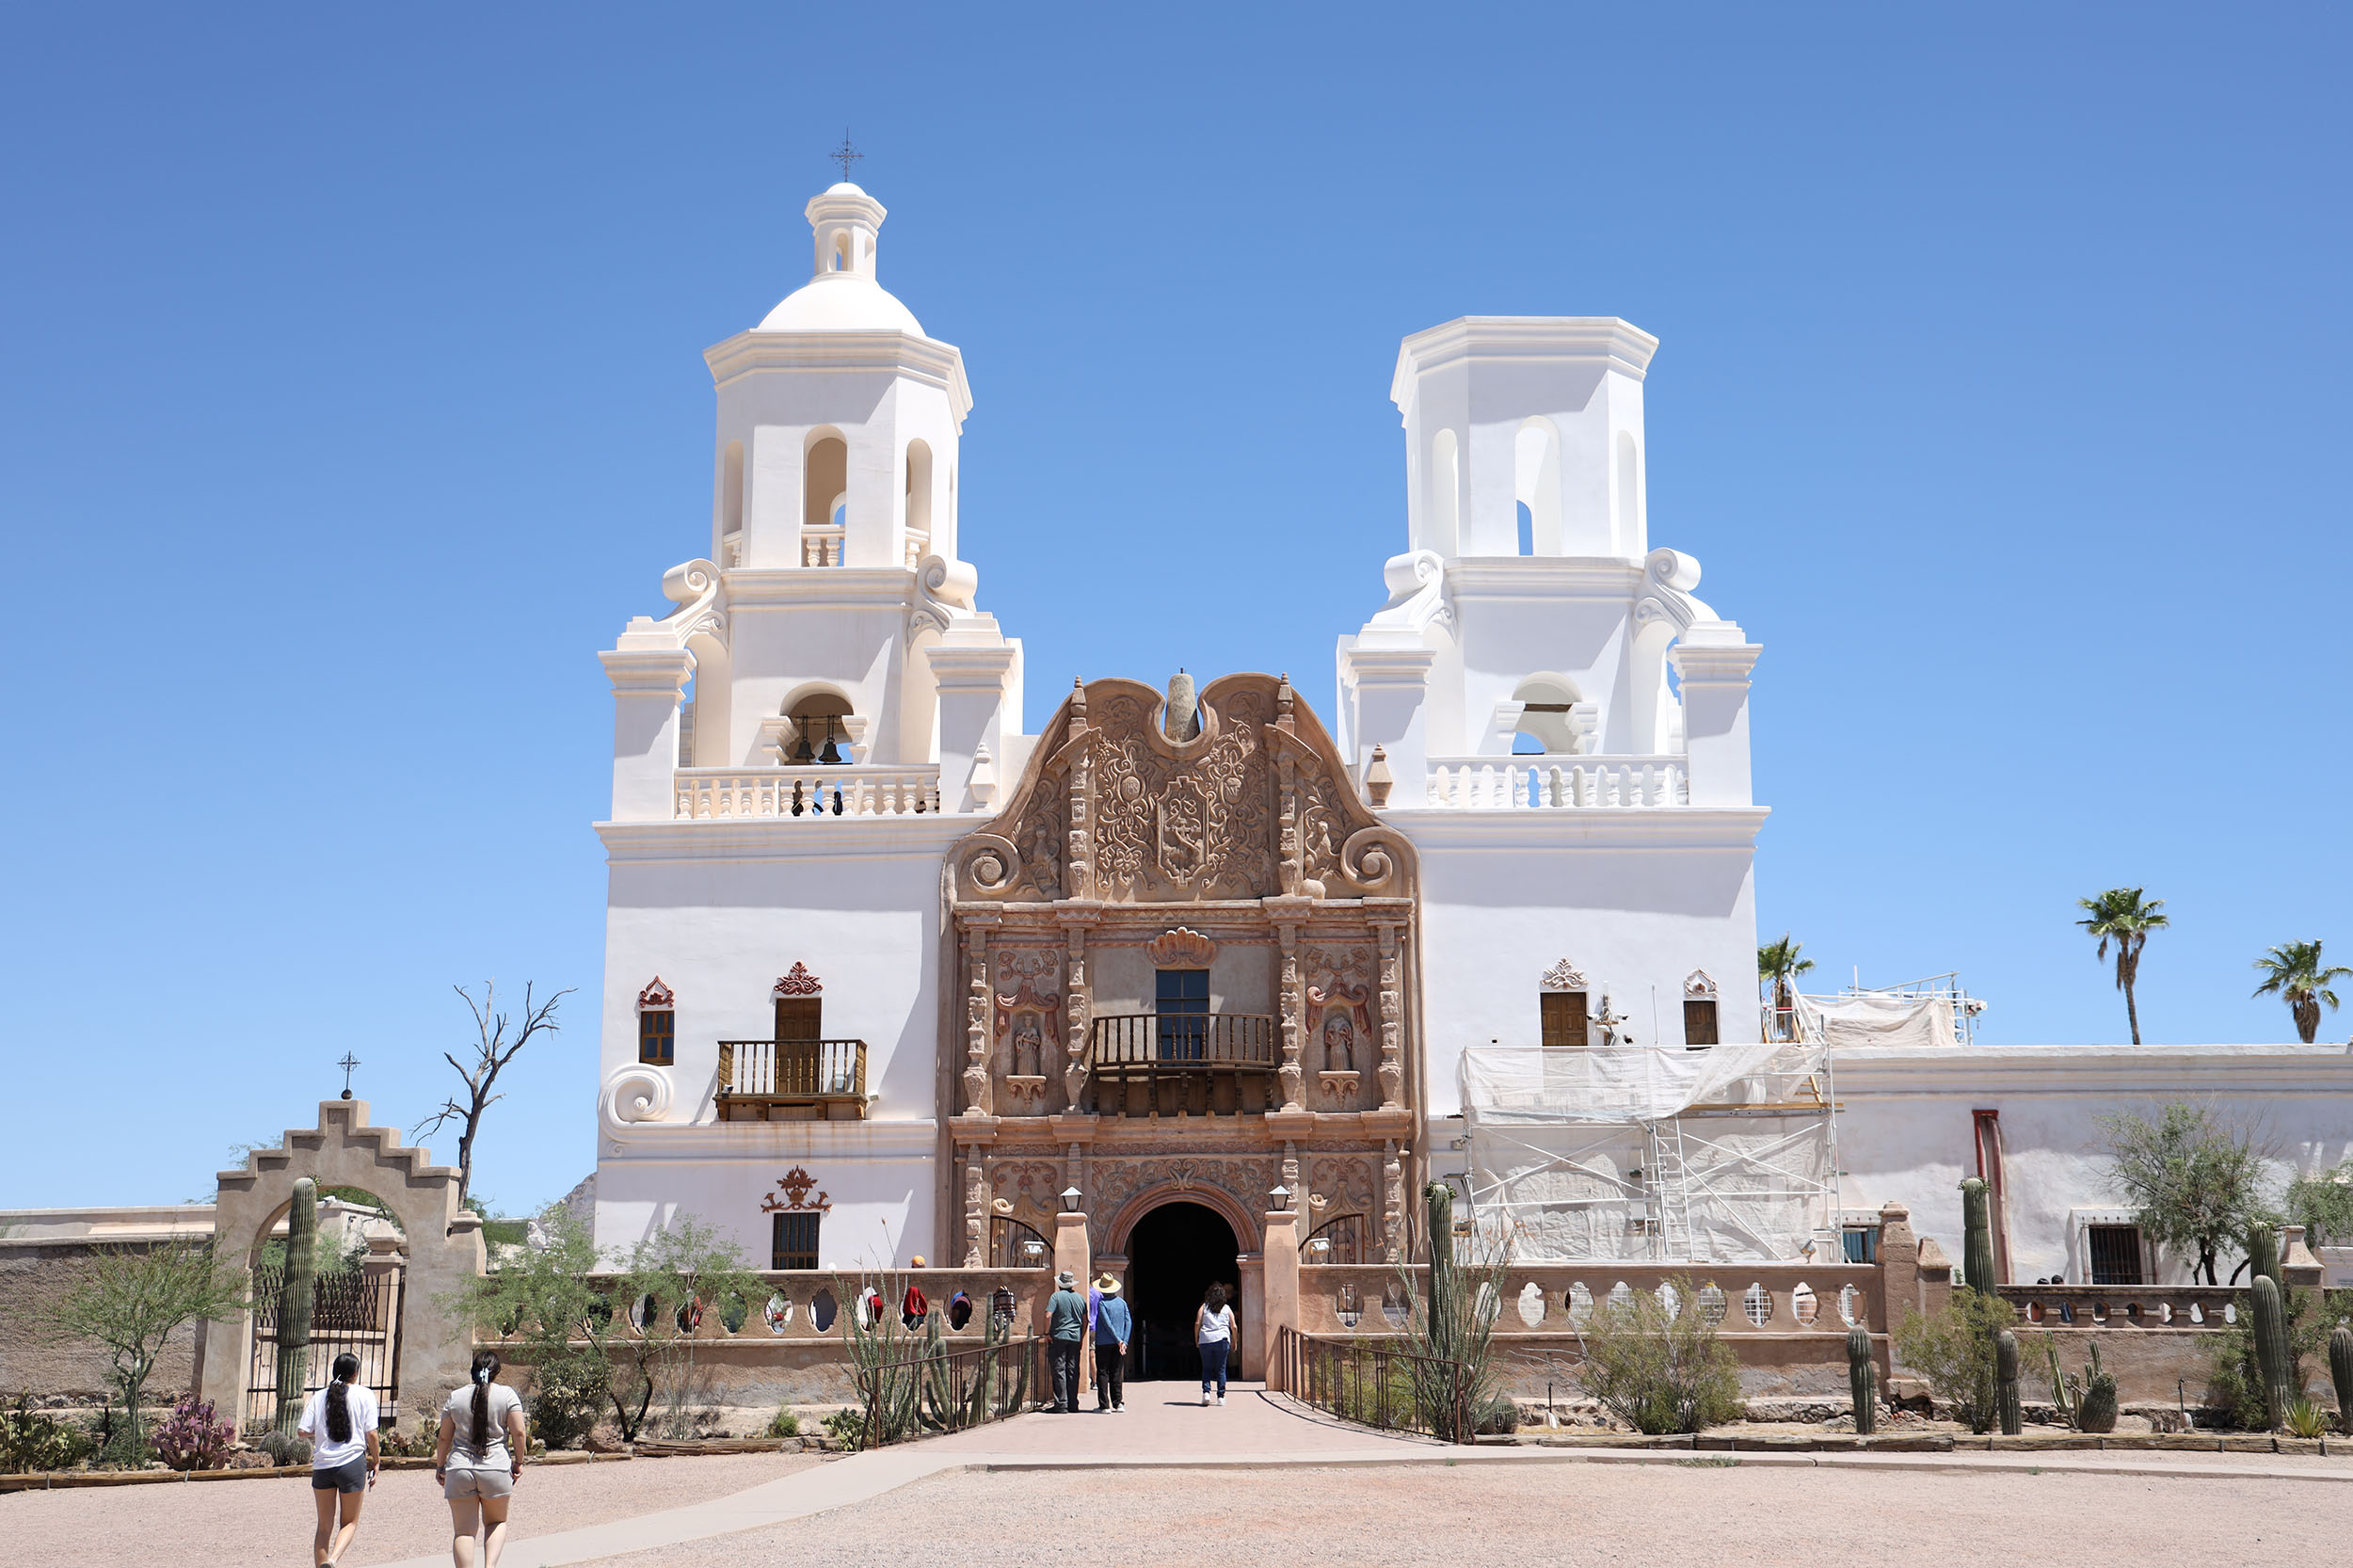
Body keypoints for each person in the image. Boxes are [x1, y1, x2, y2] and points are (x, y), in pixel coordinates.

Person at [434, 1348, 528, 1568]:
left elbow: (443, 1438)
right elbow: (519, 1432)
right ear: (497, 1372)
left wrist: (440, 1466)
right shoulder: (507, 1395)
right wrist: (519, 1462)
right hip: (495, 1467)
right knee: (496, 1522)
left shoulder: (455, 1397)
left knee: (463, 1531)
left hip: (460, 1468)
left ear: (472, 1371)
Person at [296, 1352, 378, 1568]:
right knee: (349, 1522)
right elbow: (372, 1434)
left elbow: (303, 1431)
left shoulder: (320, 1396)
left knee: (323, 1526)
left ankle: (323, 1563)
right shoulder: (365, 1394)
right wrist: (377, 1460)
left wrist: (323, 1432)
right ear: (355, 1373)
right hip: (352, 1463)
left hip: (323, 1465)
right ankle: (333, 1559)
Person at [1046, 1270, 1087, 1414]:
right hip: (1075, 1337)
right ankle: (1073, 1403)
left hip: (1059, 1336)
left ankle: (1061, 1404)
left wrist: (1047, 1333)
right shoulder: (1080, 1298)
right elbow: (1085, 1320)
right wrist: (1081, 1337)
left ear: (1060, 1284)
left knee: (1059, 1369)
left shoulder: (1055, 1297)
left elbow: (1048, 1316)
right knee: (1073, 1370)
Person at [1091, 1273, 1130, 1413]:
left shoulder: (1102, 1304)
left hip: (1104, 1343)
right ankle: (1118, 1403)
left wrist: (1119, 1340)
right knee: (1116, 1372)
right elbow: (1128, 1322)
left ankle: (1104, 1405)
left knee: (1103, 1373)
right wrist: (1124, 1341)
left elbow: (1107, 1324)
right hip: (1118, 1344)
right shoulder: (1122, 1303)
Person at [1195, 1282, 1235, 1406]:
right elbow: (1233, 1326)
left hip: (1206, 1340)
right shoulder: (1227, 1308)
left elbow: (1197, 1323)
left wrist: (1196, 1338)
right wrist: (1235, 1340)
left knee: (1206, 1368)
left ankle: (1206, 1393)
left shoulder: (1204, 1307)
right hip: (1222, 1340)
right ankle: (1221, 1397)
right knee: (1221, 1369)